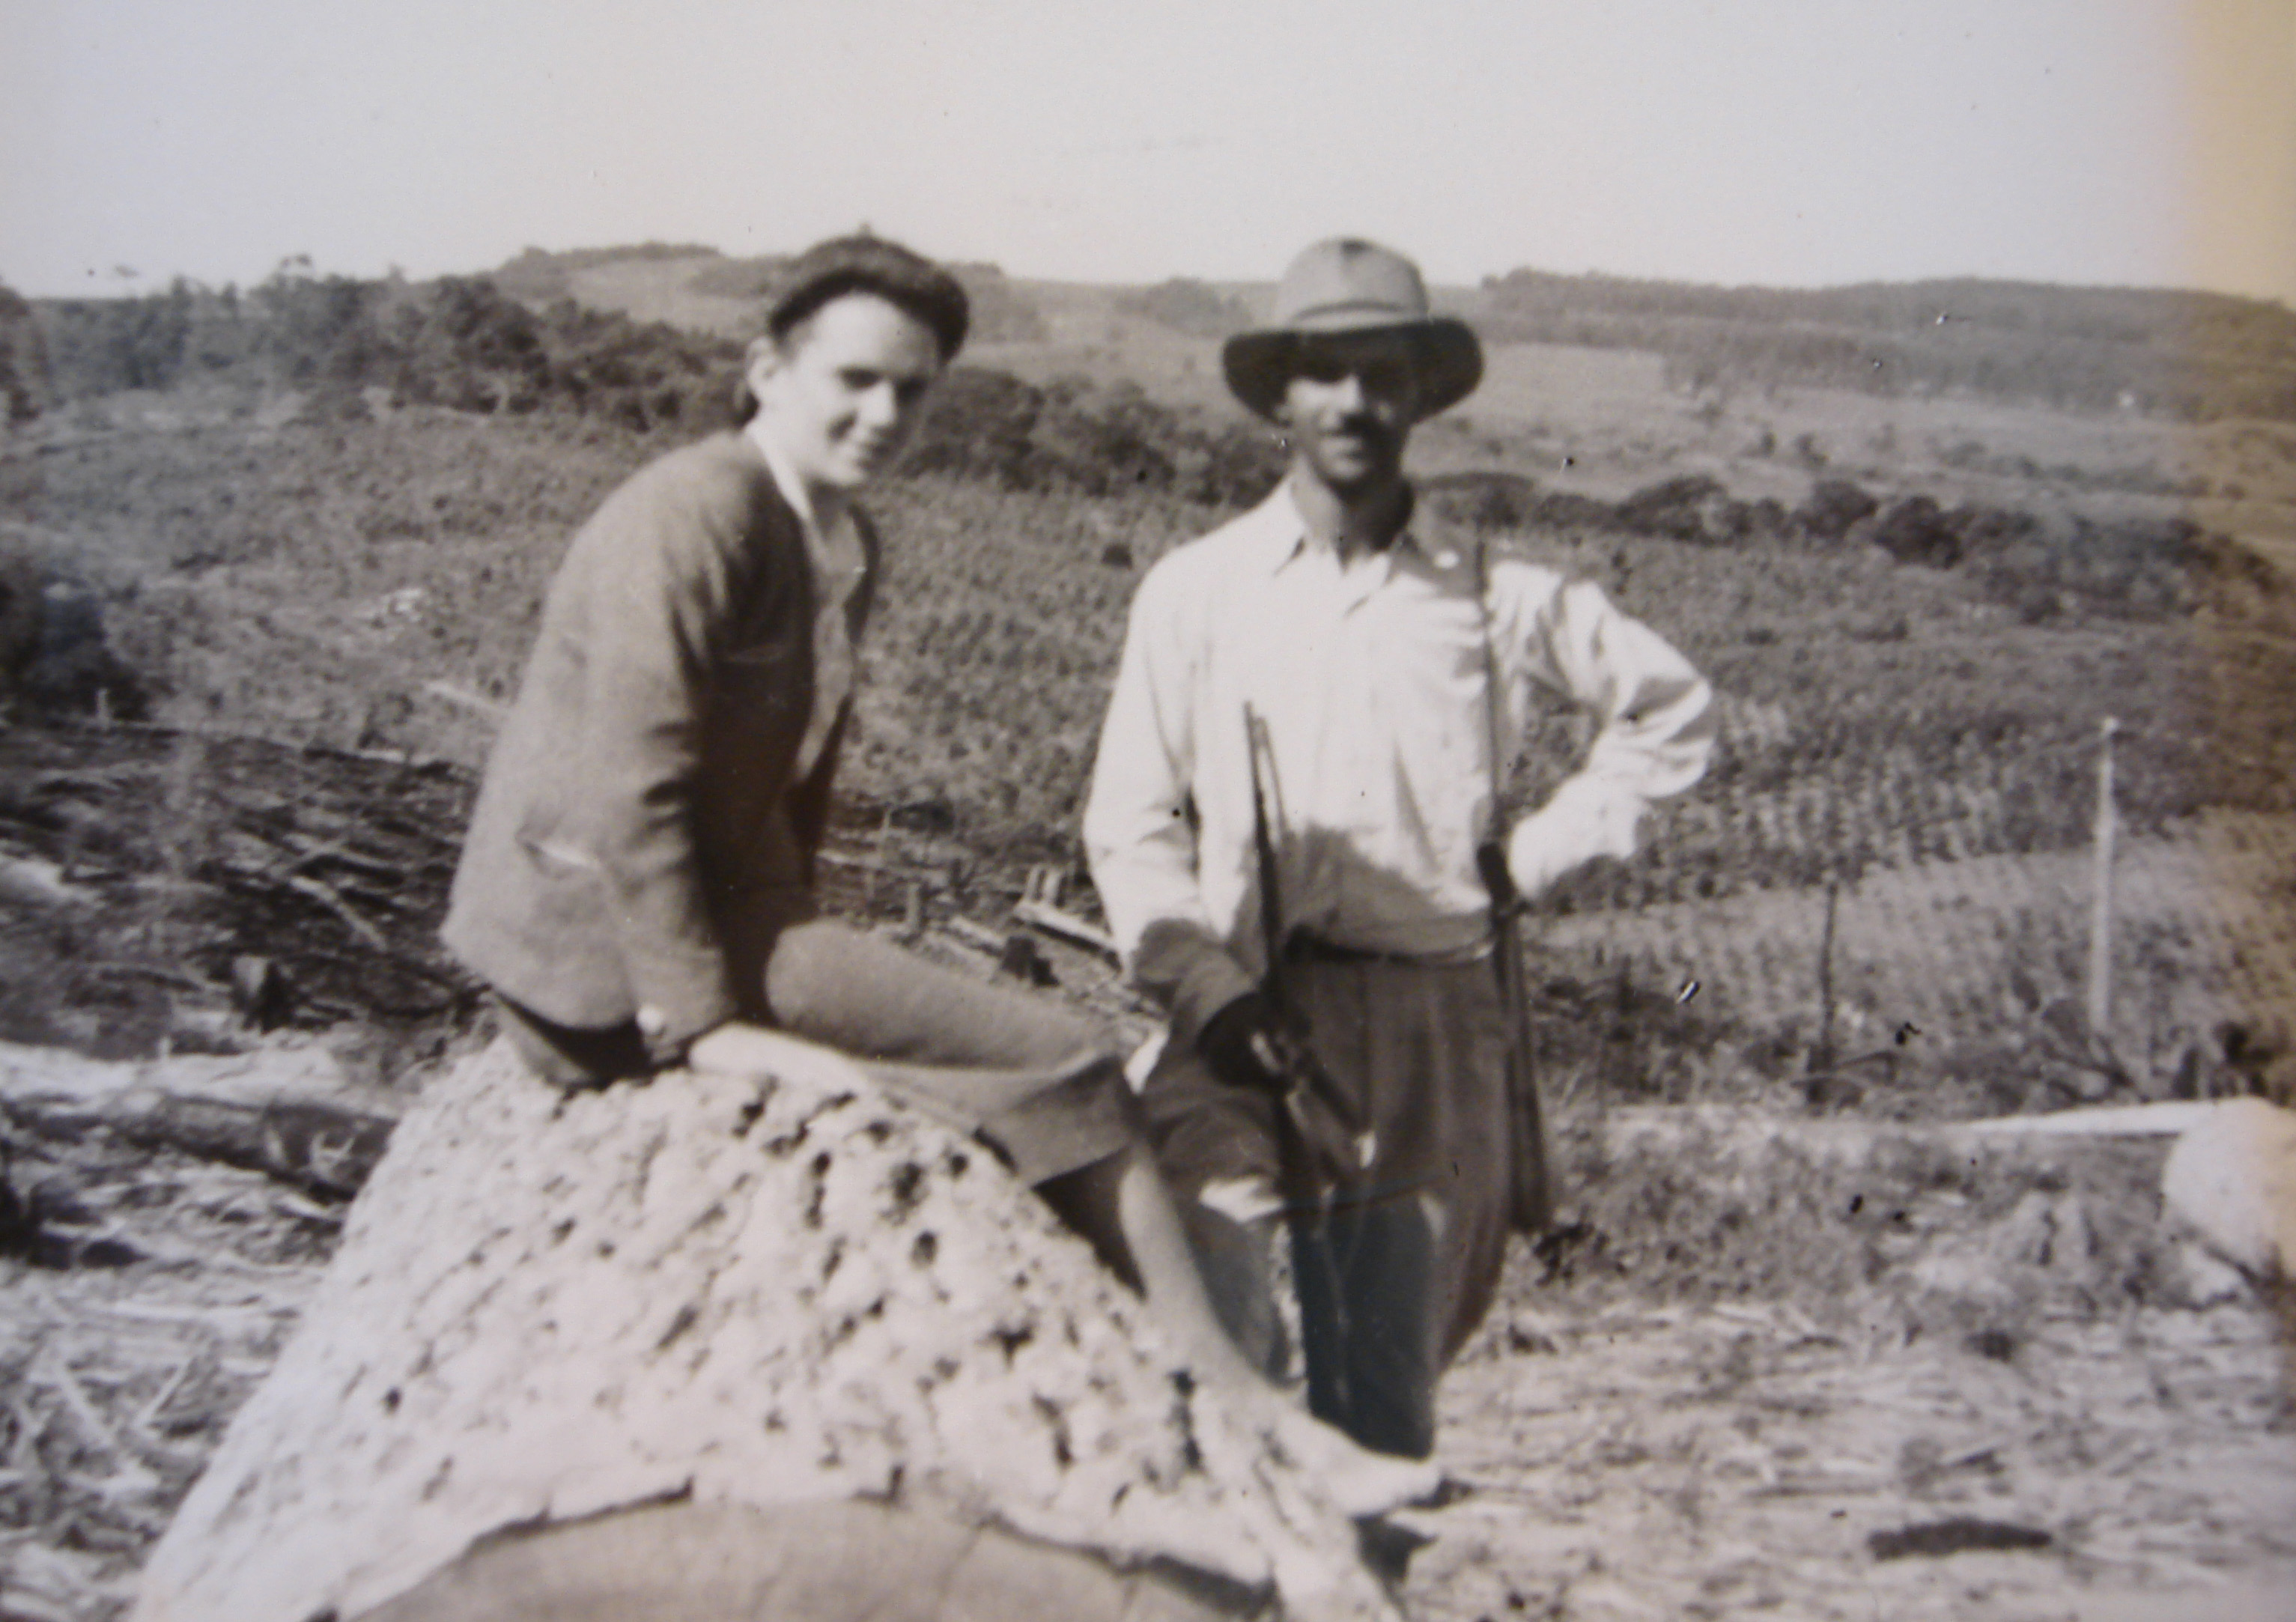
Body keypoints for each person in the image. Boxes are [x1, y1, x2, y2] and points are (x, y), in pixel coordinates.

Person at [441, 231, 1427, 1511]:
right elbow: (639, 788)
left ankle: (1188, 1379)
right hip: (601, 950)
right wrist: (711, 1025)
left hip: (722, 914)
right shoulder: (696, 513)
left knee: (958, 1062)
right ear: (764, 369)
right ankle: (1249, 1419)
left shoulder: (837, 540)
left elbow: (791, 790)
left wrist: (817, 964)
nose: (882, 413)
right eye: (853, 379)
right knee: (1069, 1060)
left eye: (911, 391)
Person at [1084, 237, 1717, 1460]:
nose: (1355, 403)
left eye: (1383, 373)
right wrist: (1205, 990)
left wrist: (1530, 859)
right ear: (1279, 394)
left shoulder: (1495, 595)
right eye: (1324, 372)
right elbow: (1130, 819)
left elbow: (1671, 709)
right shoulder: (1199, 590)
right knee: (1219, 1341)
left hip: (1434, 1025)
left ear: (1423, 392)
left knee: (1381, 1397)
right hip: (1243, 1015)